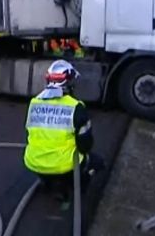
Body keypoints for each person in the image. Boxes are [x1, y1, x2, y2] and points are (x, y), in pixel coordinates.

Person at [23, 60, 103, 208]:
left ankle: (47, 181)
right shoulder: (76, 108)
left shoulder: (34, 103)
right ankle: (76, 184)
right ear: (69, 84)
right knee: (97, 162)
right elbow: (85, 146)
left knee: (50, 167)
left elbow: (29, 134)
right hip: (65, 167)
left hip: (34, 163)